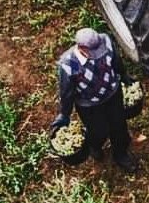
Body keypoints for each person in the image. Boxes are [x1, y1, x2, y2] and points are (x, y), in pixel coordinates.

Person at [51, 28, 139, 172]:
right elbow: (67, 92)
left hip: (112, 94)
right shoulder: (69, 63)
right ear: (81, 48)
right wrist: (64, 114)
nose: (99, 54)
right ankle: (95, 146)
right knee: (98, 130)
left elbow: (116, 61)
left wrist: (123, 75)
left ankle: (121, 153)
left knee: (119, 125)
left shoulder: (105, 41)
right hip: (89, 105)